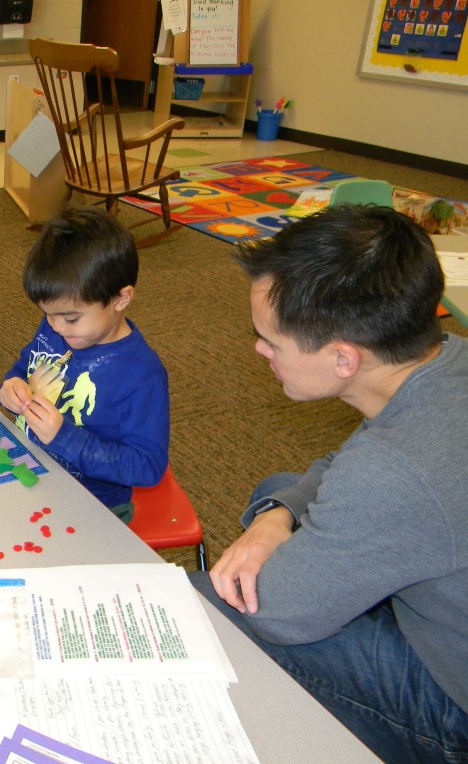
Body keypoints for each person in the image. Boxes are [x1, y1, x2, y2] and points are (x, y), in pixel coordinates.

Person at [191, 205, 468, 762]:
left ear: (344, 358)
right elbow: (349, 464)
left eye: (270, 339)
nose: (259, 350)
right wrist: (276, 518)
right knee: (280, 489)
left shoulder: (392, 473)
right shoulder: (448, 358)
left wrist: (274, 543)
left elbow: (275, 611)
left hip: (453, 704)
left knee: (207, 600)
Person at [0, 206, 169, 521]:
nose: (57, 327)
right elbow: (24, 367)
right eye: (48, 314)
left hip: (94, 505)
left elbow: (147, 466)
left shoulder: (141, 376)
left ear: (121, 299)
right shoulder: (58, 326)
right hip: (31, 467)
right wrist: (11, 386)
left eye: (71, 318)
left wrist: (63, 436)